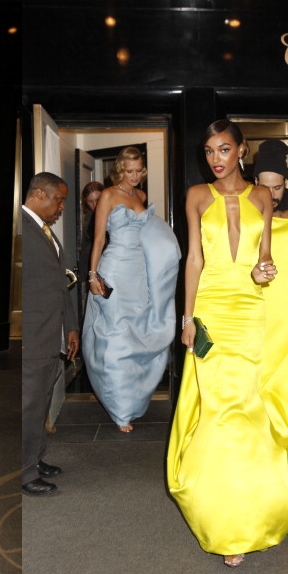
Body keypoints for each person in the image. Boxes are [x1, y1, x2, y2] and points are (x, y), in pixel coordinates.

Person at [167, 120, 288, 568]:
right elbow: (194, 260)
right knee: (219, 410)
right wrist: (187, 318)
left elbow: (265, 260)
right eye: (209, 151)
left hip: (248, 313)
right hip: (210, 312)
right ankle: (228, 524)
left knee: (245, 409)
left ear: (241, 150)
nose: (216, 159)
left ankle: (248, 515)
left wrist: (265, 270)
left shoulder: (262, 196)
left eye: (224, 149)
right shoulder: (196, 195)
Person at [81, 147, 181, 433]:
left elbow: (151, 236)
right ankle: (120, 410)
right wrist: (92, 274)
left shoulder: (141, 196)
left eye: (139, 170)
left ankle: (132, 398)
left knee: (136, 334)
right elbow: (98, 239)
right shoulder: (108, 195)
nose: (135, 176)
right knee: (116, 336)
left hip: (139, 272)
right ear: (119, 170)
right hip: (114, 269)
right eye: (129, 171)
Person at [22, 172, 79, 496]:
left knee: (41, 403)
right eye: (59, 200)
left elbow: (59, 284)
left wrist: (70, 327)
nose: (61, 208)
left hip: (50, 334)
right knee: (29, 407)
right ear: (40, 195)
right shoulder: (23, 228)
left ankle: (35, 457)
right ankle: (25, 472)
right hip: (33, 336)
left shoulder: (45, 231)